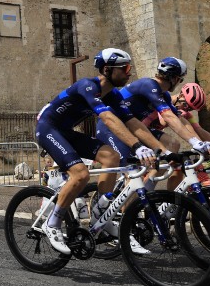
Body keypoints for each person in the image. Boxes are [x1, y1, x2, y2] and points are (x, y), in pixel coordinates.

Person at [35, 48, 162, 255]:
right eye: (125, 68)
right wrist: (136, 146)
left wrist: (158, 150)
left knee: (111, 156)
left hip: (66, 132)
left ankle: (101, 213)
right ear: (107, 69)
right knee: (81, 174)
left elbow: (132, 122)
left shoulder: (112, 95)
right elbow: (108, 119)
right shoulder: (87, 85)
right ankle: (53, 222)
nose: (129, 72)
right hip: (47, 128)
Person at [97, 57, 210, 190]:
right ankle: (124, 208)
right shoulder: (148, 84)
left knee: (173, 144)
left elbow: (178, 120)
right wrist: (195, 142)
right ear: (175, 78)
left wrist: (196, 142)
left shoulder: (164, 95)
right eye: (180, 80)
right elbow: (168, 116)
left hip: (131, 129)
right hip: (111, 127)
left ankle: (148, 189)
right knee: (133, 175)